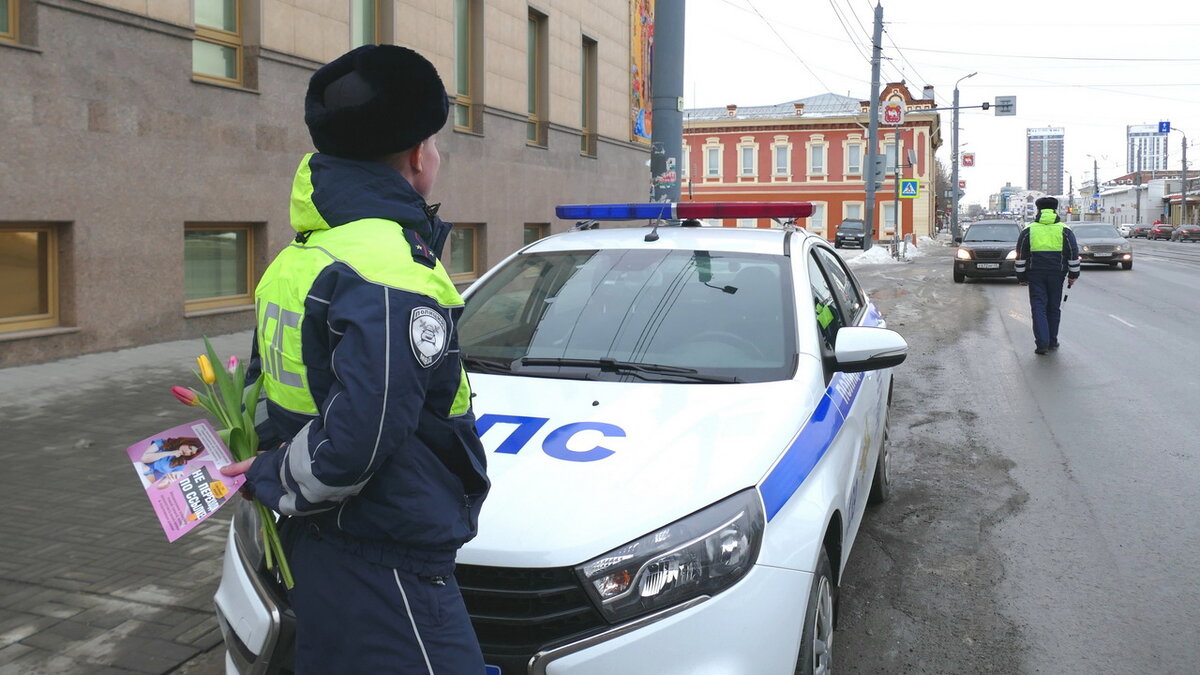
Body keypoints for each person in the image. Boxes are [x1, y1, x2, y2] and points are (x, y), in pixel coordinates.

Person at [221, 45, 489, 673]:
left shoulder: (301, 254)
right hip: (384, 552)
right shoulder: (391, 268)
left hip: (318, 542)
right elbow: (358, 441)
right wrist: (271, 477)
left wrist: (270, 469)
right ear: (419, 158)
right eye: (435, 144)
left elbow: (277, 392)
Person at [1014, 196, 1080, 355]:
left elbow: (1020, 255)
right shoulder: (1065, 230)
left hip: (1035, 274)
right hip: (1057, 274)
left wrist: (1021, 277)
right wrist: (1073, 275)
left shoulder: (1028, 230)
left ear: (1038, 210)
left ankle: (1042, 343)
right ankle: (1052, 341)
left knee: (1038, 307)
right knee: (1053, 307)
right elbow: (1073, 253)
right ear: (1055, 209)